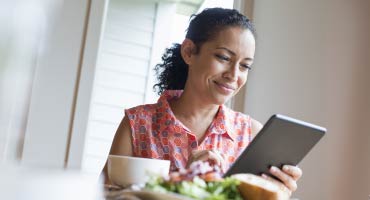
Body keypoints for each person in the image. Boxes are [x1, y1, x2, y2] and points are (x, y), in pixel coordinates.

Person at [102, 7, 302, 196]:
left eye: (244, 66)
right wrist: (184, 181)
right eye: (223, 57)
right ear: (189, 51)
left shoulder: (251, 135)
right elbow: (102, 196)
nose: (234, 75)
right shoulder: (137, 124)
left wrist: (277, 193)